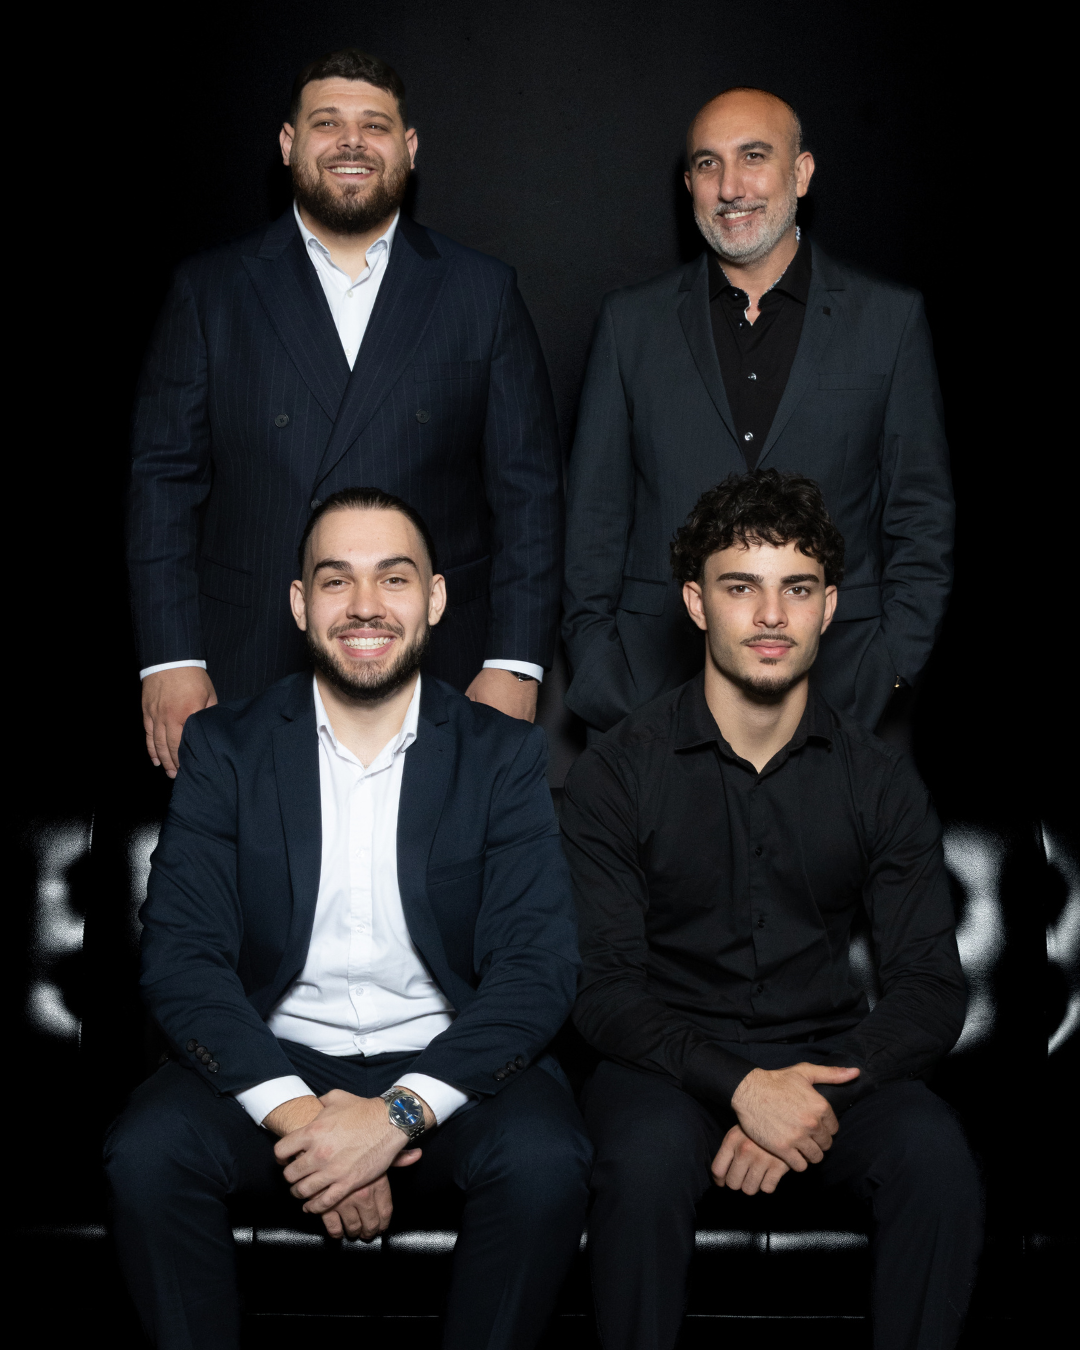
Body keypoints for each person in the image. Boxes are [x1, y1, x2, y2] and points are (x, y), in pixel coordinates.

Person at [107, 488, 591, 1349]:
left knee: (547, 1162)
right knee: (146, 1153)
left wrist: (393, 1117)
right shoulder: (226, 748)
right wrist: (315, 1127)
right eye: (337, 581)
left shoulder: (501, 755)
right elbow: (181, 959)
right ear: (301, 605)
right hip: (277, 1057)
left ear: (435, 599)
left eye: (393, 579)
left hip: (446, 1062)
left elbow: (536, 968)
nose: (366, 606)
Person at [560, 470, 981, 1350]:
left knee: (936, 1158)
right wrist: (744, 1089)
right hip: (665, 1071)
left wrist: (812, 1096)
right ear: (695, 603)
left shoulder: (878, 780)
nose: (770, 616)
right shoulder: (618, 773)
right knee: (640, 1167)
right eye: (740, 588)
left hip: (826, 1064)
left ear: (829, 607)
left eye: (797, 588)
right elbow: (602, 989)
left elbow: (931, 988)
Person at [130, 47, 563, 779]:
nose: (352, 142)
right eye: (327, 123)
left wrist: (514, 664)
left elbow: (530, 496)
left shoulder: (481, 292)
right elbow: (162, 485)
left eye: (375, 125)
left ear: (409, 148)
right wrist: (170, 659)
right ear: (289, 143)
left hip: (441, 664)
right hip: (247, 660)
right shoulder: (210, 292)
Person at [562, 86, 953, 737]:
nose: (730, 187)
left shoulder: (889, 321)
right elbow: (592, 523)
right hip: (654, 696)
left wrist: (889, 668)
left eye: (753, 157)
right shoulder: (630, 325)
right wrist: (602, 675)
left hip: (842, 695)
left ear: (801, 173)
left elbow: (922, 515)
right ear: (689, 185)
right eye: (708, 164)